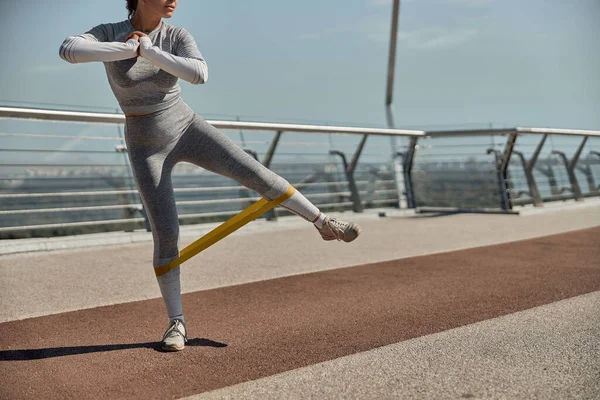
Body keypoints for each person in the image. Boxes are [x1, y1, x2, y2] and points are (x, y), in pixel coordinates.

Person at [59, 0, 362, 352]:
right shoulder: (110, 33)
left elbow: (198, 73)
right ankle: (177, 323)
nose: (174, 0)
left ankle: (323, 223)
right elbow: (69, 49)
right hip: (144, 143)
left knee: (254, 172)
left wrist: (149, 50)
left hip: (186, 126)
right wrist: (128, 46)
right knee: (166, 231)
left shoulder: (176, 35)